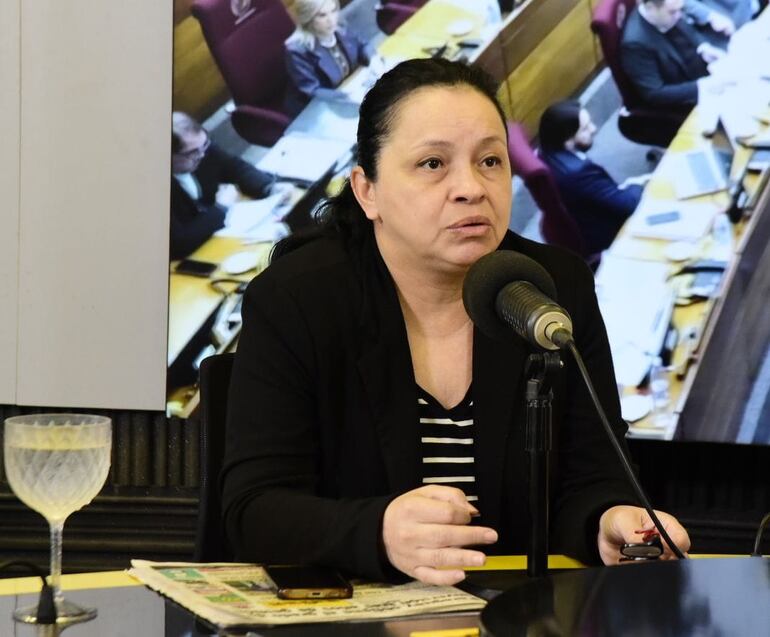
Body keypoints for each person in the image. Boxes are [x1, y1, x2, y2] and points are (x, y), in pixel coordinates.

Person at [222, 59, 690, 585]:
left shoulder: (550, 286)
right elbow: (254, 509)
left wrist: (609, 520)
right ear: (367, 190)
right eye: (432, 164)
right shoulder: (298, 299)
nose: (471, 187)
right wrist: (377, 531)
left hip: (513, 613)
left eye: (491, 160)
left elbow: (593, 473)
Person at [170, 112, 288, 260]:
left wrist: (268, 187)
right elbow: (177, 244)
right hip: (193, 255)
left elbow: (235, 167)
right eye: (193, 152)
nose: (201, 155)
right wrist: (221, 207)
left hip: (223, 237)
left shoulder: (202, 149)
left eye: (205, 144)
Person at [538, 101, 644, 254]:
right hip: (604, 232)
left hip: (583, 215)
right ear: (567, 137)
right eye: (585, 129)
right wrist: (638, 184)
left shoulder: (546, 152)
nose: (593, 129)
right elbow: (629, 205)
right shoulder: (579, 172)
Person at [620, 0, 731, 112]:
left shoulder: (666, 11)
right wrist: (703, 86)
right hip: (684, 100)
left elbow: (687, 29)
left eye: (680, 9)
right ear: (651, 8)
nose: (679, 15)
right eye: (673, 12)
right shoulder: (635, 44)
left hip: (700, 70)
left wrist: (703, 48)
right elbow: (654, 93)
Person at [284, 0, 376, 114]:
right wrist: (347, 96)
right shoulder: (298, 50)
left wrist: (373, 60)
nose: (331, 20)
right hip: (322, 108)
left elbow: (363, 45)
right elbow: (312, 90)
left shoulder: (339, 26)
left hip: (351, 87)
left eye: (333, 11)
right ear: (308, 19)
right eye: (322, 15)